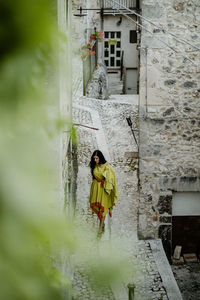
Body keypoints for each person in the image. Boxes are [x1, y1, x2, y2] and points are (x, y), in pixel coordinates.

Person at [89, 150, 118, 235]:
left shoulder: (107, 166)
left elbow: (111, 178)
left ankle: (100, 229)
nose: (95, 160)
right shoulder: (94, 165)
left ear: (100, 158)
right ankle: (102, 224)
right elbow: (93, 177)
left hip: (103, 189)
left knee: (103, 209)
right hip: (95, 188)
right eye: (94, 158)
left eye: (96, 158)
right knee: (96, 207)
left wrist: (108, 185)